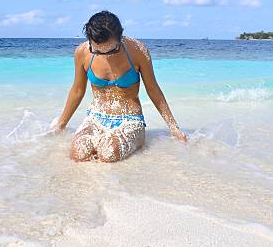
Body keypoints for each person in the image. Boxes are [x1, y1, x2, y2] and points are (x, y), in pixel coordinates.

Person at [50, 10, 187, 163]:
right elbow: (77, 90)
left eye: (111, 50)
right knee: (78, 153)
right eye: (98, 51)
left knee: (109, 154)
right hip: (95, 118)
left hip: (129, 120)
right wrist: (60, 125)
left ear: (120, 37)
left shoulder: (138, 51)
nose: (106, 55)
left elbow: (153, 89)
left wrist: (173, 128)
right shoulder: (82, 52)